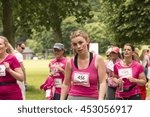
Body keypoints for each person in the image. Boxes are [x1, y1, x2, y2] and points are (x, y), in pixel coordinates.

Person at [60, 30, 106, 100]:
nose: (78, 46)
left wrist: (101, 100)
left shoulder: (98, 59)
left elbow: (102, 82)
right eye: (75, 44)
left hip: (92, 98)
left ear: (87, 41)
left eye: (80, 43)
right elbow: (66, 84)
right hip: (73, 98)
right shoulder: (70, 62)